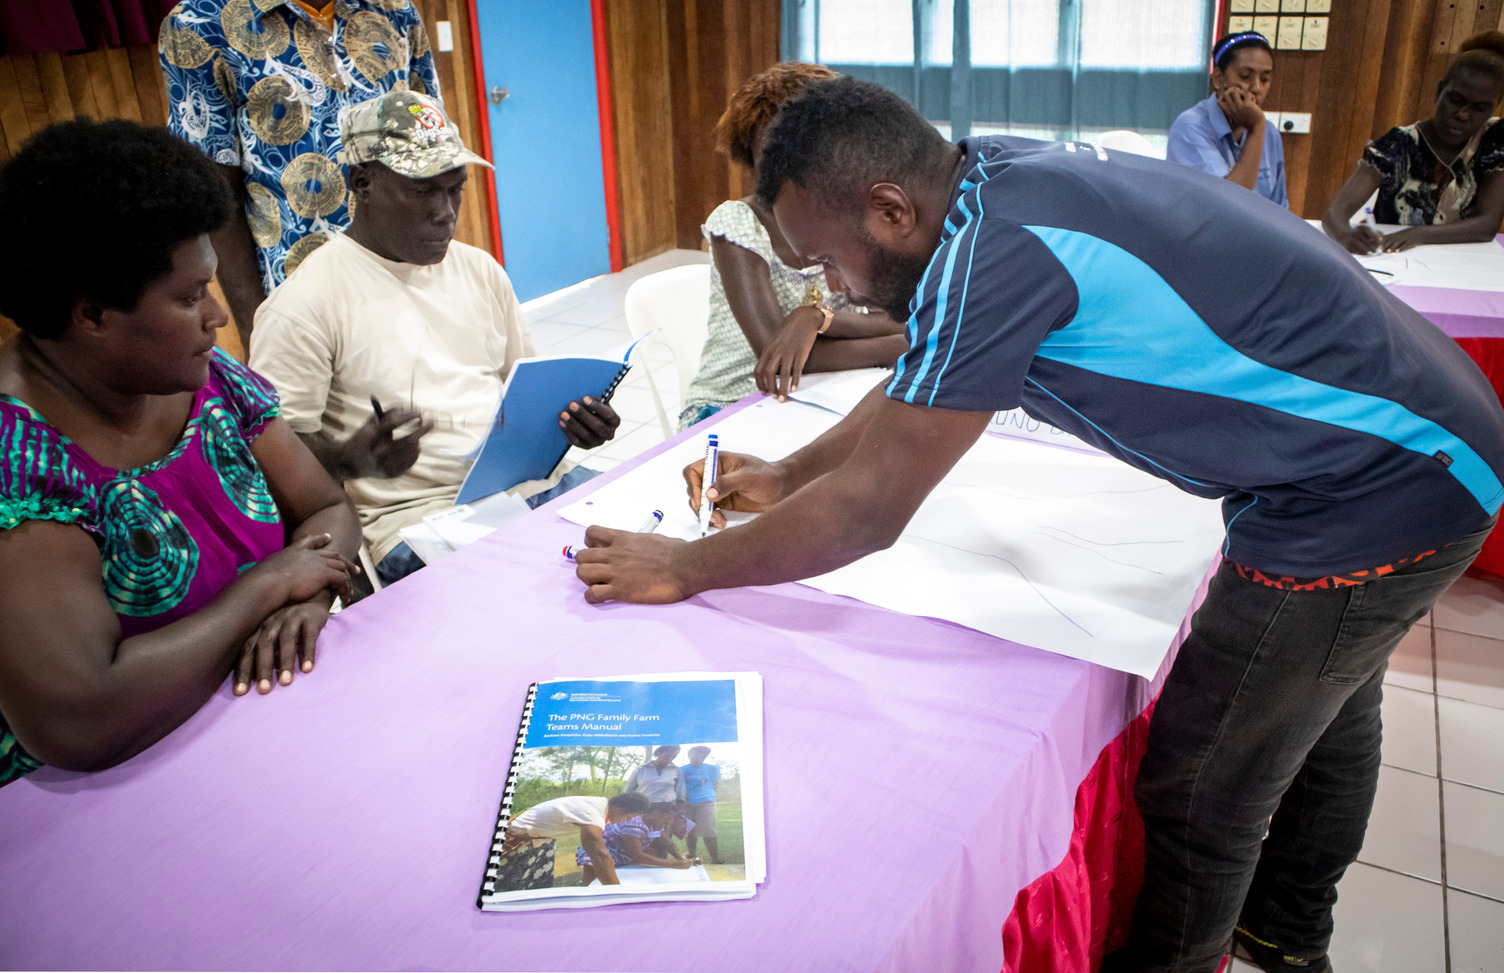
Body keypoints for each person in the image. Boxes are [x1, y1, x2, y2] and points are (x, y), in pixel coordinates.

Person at [570, 77, 1504, 972]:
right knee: (1331, 703)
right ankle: (1289, 932)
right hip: (1419, 442)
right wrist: (786, 473)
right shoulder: (987, 184)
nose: (830, 283)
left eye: (825, 259)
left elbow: (868, 514)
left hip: (1380, 483)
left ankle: (1202, 954)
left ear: (890, 211)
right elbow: (924, 380)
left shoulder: (991, 256)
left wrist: (687, 566)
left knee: (1200, 778)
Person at [0, 119, 362, 786]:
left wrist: (304, 604)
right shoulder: (20, 465)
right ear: (93, 313)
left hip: (262, 728)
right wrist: (270, 585)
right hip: (103, 796)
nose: (218, 317)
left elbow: (325, 506)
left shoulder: (203, 379)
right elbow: (81, 721)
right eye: (190, 297)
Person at [249, 91, 619, 586]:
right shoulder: (304, 305)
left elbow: (524, 391)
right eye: (424, 192)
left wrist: (574, 423)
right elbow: (270, 462)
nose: (446, 213)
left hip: (532, 487)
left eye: (455, 190)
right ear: (363, 182)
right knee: (551, 601)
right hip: (418, 523)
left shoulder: (479, 271)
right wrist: (348, 459)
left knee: (653, 541)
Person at [159, 0, 442, 347]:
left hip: (411, 280)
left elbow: (432, 147)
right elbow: (215, 193)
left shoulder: (395, 9)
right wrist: (257, 327)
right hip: (304, 298)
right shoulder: (201, 22)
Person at [678, 62, 908, 427]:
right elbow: (778, 356)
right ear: (749, 156)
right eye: (771, 154)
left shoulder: (853, 217)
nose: (785, 167)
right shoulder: (738, 223)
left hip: (827, 395)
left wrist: (816, 319)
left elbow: (899, 318)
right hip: (733, 404)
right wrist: (907, 346)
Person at [1322, 31, 1504, 255]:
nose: (1463, 115)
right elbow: (1335, 214)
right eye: (1456, 101)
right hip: (1396, 261)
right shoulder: (1399, 144)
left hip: (1462, 262)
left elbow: (1487, 224)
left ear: (1495, 107)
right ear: (1439, 92)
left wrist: (1416, 234)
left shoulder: (1494, 142)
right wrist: (1345, 235)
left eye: (1480, 108)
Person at [1166, 31, 1287, 208]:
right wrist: (1256, 129)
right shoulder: (1190, 126)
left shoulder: (1269, 132)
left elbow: (1280, 210)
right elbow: (1227, 206)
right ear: (1218, 79)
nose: (1256, 88)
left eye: (1265, 79)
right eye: (1246, 76)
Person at [499, 791, 650, 890]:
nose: (627, 821)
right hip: (518, 838)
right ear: (620, 809)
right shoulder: (590, 812)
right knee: (512, 887)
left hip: (541, 840)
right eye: (629, 817)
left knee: (538, 886)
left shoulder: (600, 808)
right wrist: (616, 893)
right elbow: (600, 856)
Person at [575, 801, 693, 886]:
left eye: (669, 818)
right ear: (649, 814)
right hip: (601, 850)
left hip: (619, 853)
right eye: (663, 816)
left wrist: (681, 859)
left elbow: (667, 842)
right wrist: (673, 864)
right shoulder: (635, 824)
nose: (666, 820)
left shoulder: (656, 824)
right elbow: (637, 854)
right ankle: (585, 886)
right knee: (595, 881)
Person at [679, 745, 723, 863]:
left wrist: (706, 795)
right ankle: (692, 855)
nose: (700, 757)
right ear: (690, 755)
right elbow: (679, 786)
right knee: (690, 831)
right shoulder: (681, 770)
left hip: (706, 802)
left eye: (703, 755)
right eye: (697, 754)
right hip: (687, 804)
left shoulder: (712, 768)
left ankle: (715, 858)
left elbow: (715, 784)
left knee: (709, 831)